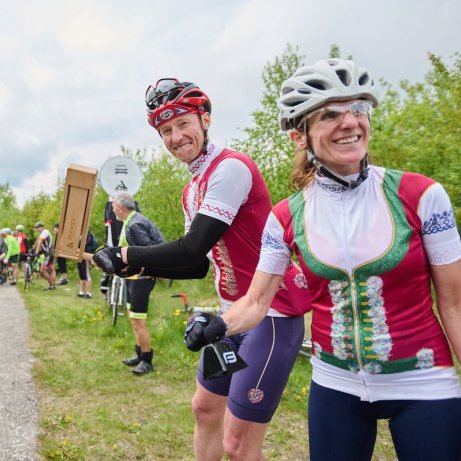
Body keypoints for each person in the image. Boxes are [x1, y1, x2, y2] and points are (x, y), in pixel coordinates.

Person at [183, 58, 461, 461]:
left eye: (359, 109)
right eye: (331, 114)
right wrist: (220, 324)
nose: (350, 122)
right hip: (336, 385)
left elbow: (456, 304)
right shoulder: (286, 215)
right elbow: (258, 301)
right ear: (300, 137)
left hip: (423, 382)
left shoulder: (422, 196)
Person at [93, 78, 310, 459]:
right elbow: (195, 263)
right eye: (165, 131)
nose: (175, 137)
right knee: (205, 408)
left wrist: (126, 255)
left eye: (183, 124)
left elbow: (192, 245)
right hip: (232, 313)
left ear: (205, 120)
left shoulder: (231, 168)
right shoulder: (191, 188)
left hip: (272, 312)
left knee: (238, 443)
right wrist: (131, 270)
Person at [110, 192, 165, 375]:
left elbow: (149, 252)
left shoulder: (135, 224)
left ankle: (147, 361)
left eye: (113, 206)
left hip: (141, 279)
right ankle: (139, 353)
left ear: (120, 207)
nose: (112, 209)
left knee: (138, 321)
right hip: (131, 278)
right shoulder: (129, 221)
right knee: (134, 319)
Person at [34, 222, 57, 290]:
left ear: (42, 227)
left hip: (48, 253)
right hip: (48, 254)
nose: (38, 229)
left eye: (38, 227)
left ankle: (52, 285)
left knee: (42, 271)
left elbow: (40, 241)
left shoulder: (45, 232)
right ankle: (52, 285)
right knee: (52, 269)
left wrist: (36, 252)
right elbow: (37, 241)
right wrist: (33, 248)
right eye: (37, 228)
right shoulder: (42, 234)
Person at [77, 229, 98, 299]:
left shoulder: (88, 234)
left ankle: (89, 293)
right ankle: (81, 292)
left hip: (85, 256)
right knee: (81, 274)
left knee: (87, 274)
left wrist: (81, 239)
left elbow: (87, 244)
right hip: (79, 256)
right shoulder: (79, 232)